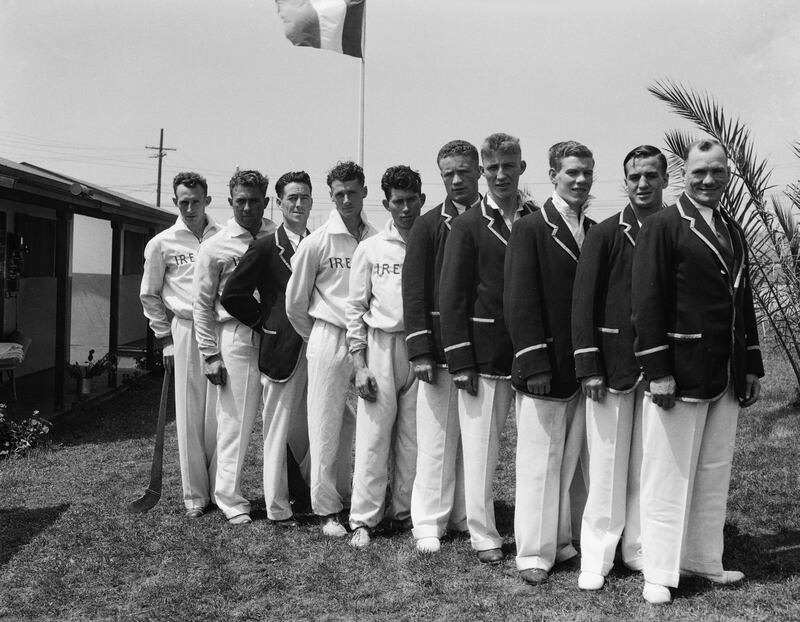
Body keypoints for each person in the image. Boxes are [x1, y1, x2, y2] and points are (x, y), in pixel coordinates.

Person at [631, 139, 763, 604]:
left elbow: (741, 303)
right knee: (667, 474)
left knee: (712, 468)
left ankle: (705, 559)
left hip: (724, 370)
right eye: (700, 172)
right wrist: (658, 370)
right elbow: (646, 303)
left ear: (728, 175)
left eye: (718, 172)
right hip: (679, 371)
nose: (709, 181)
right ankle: (659, 571)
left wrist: (749, 363)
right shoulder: (664, 226)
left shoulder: (731, 228)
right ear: (683, 174)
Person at [571, 145, 669, 590]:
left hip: (661, 370)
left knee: (648, 465)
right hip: (610, 368)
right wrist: (588, 365)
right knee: (607, 465)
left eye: (651, 175)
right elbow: (583, 304)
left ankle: (639, 548)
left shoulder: (675, 232)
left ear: (665, 179)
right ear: (624, 182)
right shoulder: (606, 233)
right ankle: (597, 555)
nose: (643, 184)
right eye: (634, 177)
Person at [439, 133, 536, 564]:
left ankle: (537, 530)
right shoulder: (467, 225)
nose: (500, 174)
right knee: (481, 452)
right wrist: (460, 358)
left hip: (533, 355)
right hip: (482, 355)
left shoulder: (537, 218)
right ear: (483, 170)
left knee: (535, 451)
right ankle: (484, 534)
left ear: (521, 168)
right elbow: (452, 297)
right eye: (492, 166)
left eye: (509, 165)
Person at [504, 140, 595, 586]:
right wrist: (534, 361)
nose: (580, 180)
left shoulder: (595, 229)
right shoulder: (531, 228)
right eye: (571, 172)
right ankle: (533, 553)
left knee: (570, 459)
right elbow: (520, 301)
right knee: (539, 462)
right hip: (544, 366)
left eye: (586, 173)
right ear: (553, 174)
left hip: (581, 368)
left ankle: (561, 540)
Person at [285, 160, 377, 537]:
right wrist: (318, 338)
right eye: (338, 194)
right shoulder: (317, 241)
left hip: (369, 339)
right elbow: (295, 302)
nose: (345, 199)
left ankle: (360, 498)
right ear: (331, 196)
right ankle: (326, 510)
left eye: (352, 192)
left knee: (364, 424)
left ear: (364, 192)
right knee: (324, 422)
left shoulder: (375, 237)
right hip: (327, 335)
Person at [220, 171, 314, 526]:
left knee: (319, 424)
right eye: (292, 198)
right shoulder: (263, 245)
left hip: (315, 345)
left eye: (304, 197)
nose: (299, 204)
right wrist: (265, 322)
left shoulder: (318, 241)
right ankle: (278, 507)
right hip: (280, 347)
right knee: (276, 428)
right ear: (279, 202)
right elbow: (232, 295)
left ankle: (311, 490)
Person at [403, 140, 479, 553]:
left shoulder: (497, 221)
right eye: (448, 172)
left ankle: (467, 514)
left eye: (464, 171)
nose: (455, 180)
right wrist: (419, 351)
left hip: (484, 348)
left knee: (475, 440)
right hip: (439, 350)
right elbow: (413, 292)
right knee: (436, 438)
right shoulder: (429, 225)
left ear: (479, 171)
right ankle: (429, 521)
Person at [192, 169, 277, 525]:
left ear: (266, 202)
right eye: (239, 201)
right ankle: (229, 497)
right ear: (229, 202)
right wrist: (210, 354)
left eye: (254, 201)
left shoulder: (279, 235)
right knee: (235, 420)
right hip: (236, 336)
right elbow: (201, 303)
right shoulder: (215, 245)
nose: (246, 207)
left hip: (275, 336)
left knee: (281, 418)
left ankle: (288, 491)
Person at [346, 165, 423, 548]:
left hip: (421, 348)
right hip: (381, 345)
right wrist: (359, 365)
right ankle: (363, 517)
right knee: (374, 436)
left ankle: (405, 512)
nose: (405, 209)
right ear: (386, 204)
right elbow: (354, 309)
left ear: (422, 200)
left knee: (414, 438)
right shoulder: (371, 247)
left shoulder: (432, 240)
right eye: (398, 202)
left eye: (411, 201)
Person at [139, 172, 220, 518]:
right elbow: (149, 294)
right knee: (188, 414)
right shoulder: (163, 242)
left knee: (220, 414)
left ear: (207, 201)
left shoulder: (224, 236)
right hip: (184, 329)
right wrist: (164, 338)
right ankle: (194, 497)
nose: (190, 207)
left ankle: (221, 489)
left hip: (220, 329)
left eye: (196, 201)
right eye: (183, 201)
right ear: (175, 202)